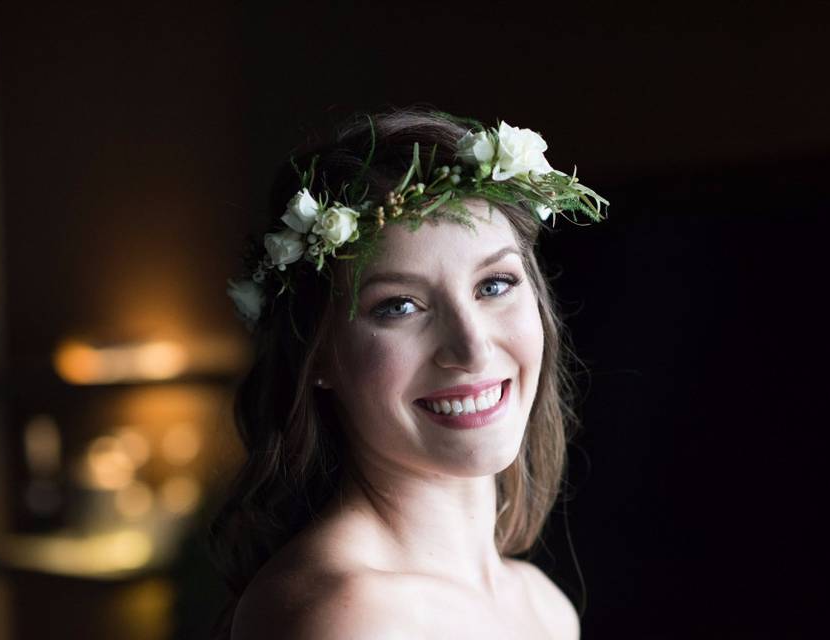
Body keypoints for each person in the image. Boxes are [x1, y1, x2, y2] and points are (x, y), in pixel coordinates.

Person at [211, 108, 608, 639]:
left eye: (493, 285)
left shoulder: (542, 606)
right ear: (319, 354)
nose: (472, 349)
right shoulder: (347, 617)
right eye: (399, 306)